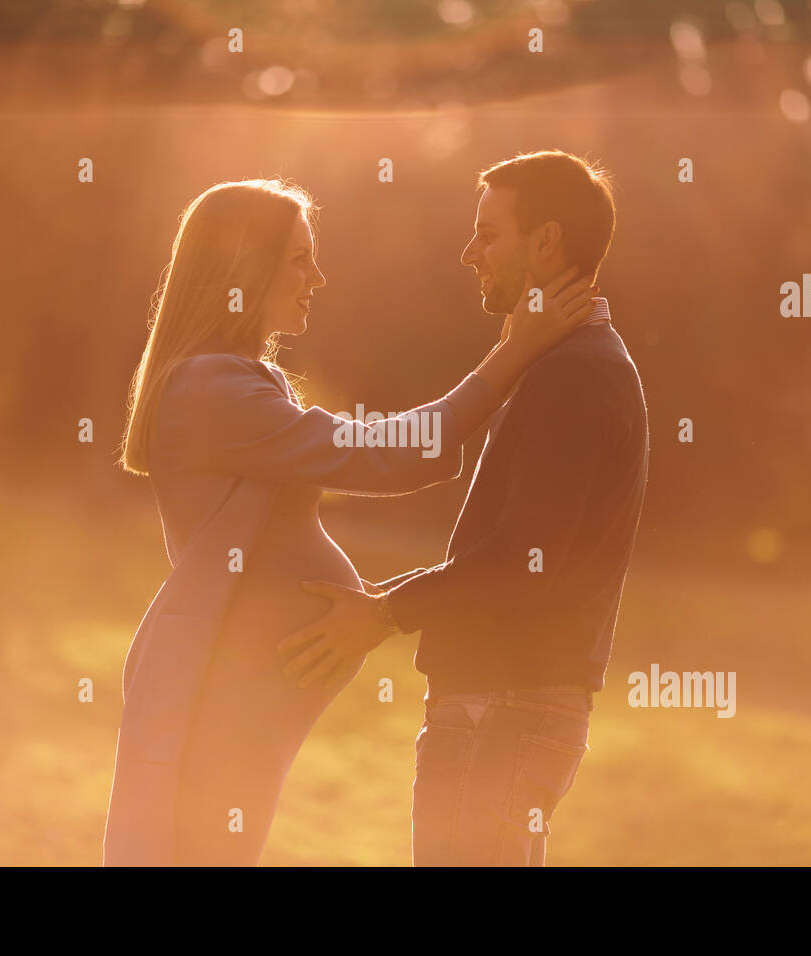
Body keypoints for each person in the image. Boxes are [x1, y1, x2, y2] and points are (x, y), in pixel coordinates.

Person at [103, 177, 597, 865]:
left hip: (243, 690)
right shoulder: (211, 388)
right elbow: (381, 456)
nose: (319, 277)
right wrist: (515, 351)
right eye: (300, 258)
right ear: (245, 268)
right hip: (220, 684)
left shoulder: (238, 378)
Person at [279, 150, 649, 866]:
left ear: (545, 242)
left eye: (488, 233)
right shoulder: (567, 362)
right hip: (505, 712)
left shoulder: (575, 374)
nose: (468, 252)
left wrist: (383, 612)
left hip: (501, 712)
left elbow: (522, 562)